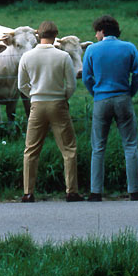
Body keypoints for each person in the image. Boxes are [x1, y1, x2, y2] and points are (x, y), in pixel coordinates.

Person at [82, 15, 138, 201]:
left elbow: (87, 77)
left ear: (102, 30)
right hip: (123, 98)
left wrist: (96, 93)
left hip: (101, 100)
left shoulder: (92, 50)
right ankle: (135, 190)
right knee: (130, 145)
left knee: (98, 146)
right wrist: (129, 93)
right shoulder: (129, 48)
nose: (95, 35)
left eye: (96, 31)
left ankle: (96, 192)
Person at [17, 21, 83, 203]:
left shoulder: (27, 56)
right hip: (58, 103)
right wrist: (63, 98)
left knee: (31, 150)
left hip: (37, 104)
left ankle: (28, 192)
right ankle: (71, 191)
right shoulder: (63, 57)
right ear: (56, 35)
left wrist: (33, 95)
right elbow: (71, 84)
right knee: (68, 149)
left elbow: (21, 85)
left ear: (39, 34)